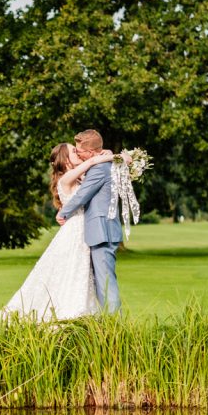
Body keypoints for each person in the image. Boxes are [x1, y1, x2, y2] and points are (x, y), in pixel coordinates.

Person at [0, 141, 114, 322]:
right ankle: (70, 315)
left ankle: (83, 317)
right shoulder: (66, 179)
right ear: (66, 160)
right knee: (70, 273)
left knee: (79, 275)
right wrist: (113, 156)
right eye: (75, 151)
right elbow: (90, 163)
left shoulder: (80, 177)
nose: (79, 153)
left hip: (84, 231)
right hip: (74, 233)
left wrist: (103, 153)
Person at [55, 129, 123, 314]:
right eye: (74, 152)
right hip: (98, 230)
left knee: (106, 283)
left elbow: (82, 195)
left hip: (102, 230)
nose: (77, 153)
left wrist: (63, 213)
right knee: (101, 282)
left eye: (79, 151)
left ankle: (115, 326)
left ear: (91, 153)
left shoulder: (99, 169)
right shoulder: (98, 167)